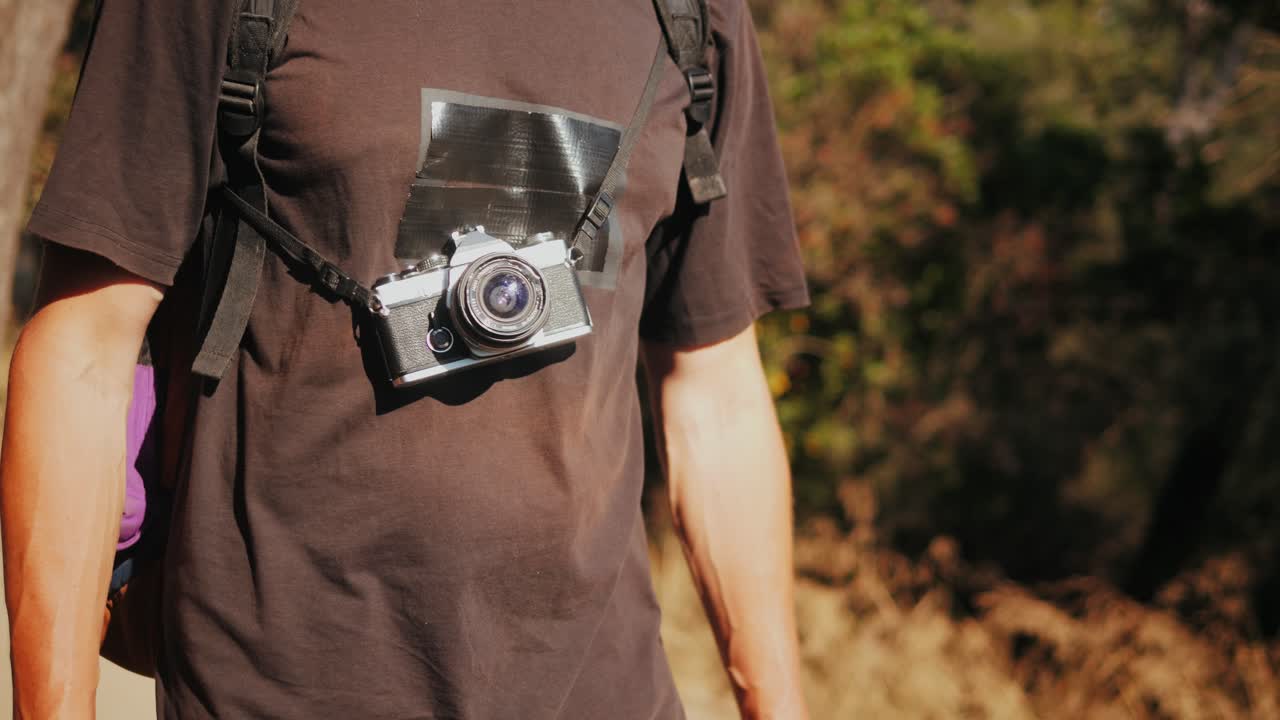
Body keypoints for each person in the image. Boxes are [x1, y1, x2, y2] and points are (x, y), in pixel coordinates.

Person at [2, 0, 811, 717]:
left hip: (607, 690)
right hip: (273, 684)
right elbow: (84, 346)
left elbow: (717, 394)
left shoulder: (690, 15)